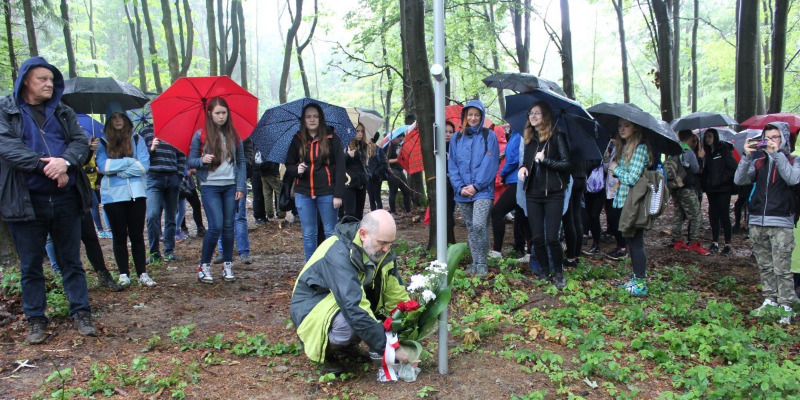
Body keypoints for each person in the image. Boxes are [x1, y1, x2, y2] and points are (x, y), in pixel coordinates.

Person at [0, 57, 96, 344]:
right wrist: (48, 167)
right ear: (26, 80)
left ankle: (81, 312)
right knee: (30, 264)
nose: (48, 84)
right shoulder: (7, 111)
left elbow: (79, 142)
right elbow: (8, 148)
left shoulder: (63, 111)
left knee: (71, 260)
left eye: (51, 80)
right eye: (42, 79)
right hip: (27, 201)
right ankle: (36, 319)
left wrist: (65, 162)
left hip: (66, 199)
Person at [290, 210, 409, 374]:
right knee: (350, 320)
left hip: (339, 302)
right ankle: (324, 353)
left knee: (369, 304)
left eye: (390, 243)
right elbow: (353, 306)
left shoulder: (380, 249)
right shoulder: (336, 252)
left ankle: (345, 347)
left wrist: (409, 321)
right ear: (363, 234)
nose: (387, 248)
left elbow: (394, 291)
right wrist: (389, 348)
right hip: (311, 308)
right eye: (382, 242)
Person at [735, 123, 800, 324]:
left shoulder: (793, 160)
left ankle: (786, 305)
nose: (771, 140)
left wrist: (778, 154)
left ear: (784, 139)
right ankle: (770, 299)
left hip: (781, 220)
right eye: (767, 137)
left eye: (776, 137)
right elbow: (740, 180)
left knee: (783, 268)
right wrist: (746, 156)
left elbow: (793, 179)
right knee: (765, 266)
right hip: (757, 220)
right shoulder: (759, 162)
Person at [188, 97, 247, 283]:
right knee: (215, 226)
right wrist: (201, 160)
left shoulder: (234, 135)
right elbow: (189, 161)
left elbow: (242, 162)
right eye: (217, 113)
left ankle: (227, 264)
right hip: (210, 186)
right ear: (210, 114)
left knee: (229, 227)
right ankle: (203, 266)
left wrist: (241, 186)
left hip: (230, 185)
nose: (221, 116)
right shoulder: (201, 135)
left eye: (224, 113)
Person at [96, 103, 155, 288]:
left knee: (137, 235)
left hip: (136, 194)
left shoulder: (137, 139)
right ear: (108, 121)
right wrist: (130, 161)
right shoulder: (102, 142)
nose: (118, 120)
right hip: (113, 196)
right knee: (119, 236)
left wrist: (118, 169)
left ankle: (142, 273)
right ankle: (123, 274)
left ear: (126, 119)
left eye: (120, 116)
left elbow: (143, 166)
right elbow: (104, 167)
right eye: (113, 117)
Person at [516, 102, 571, 288]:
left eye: (537, 113)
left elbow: (566, 164)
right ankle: (544, 272)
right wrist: (523, 167)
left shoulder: (557, 137)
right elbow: (526, 162)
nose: (533, 116)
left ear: (545, 116)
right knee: (537, 237)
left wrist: (545, 160)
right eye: (531, 113)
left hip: (554, 193)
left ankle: (559, 272)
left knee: (552, 238)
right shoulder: (530, 140)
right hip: (533, 193)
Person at [285, 103, 346, 261]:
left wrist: (338, 194)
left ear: (321, 118)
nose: (312, 119)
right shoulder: (297, 139)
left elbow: (340, 167)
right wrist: (296, 169)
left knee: (330, 232)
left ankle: (332, 266)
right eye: (308, 116)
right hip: (303, 193)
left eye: (315, 116)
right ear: (304, 120)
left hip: (327, 192)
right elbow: (289, 165)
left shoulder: (332, 137)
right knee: (309, 234)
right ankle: (311, 269)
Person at [449, 101, 499, 277]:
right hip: (462, 192)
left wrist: (476, 186)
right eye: (469, 114)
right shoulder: (456, 138)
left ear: (482, 116)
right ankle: (476, 262)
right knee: (471, 227)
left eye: (477, 114)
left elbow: (490, 163)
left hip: (483, 190)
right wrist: (460, 186)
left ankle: (481, 263)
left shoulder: (488, 136)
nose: (473, 118)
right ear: (464, 116)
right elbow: (453, 164)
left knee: (479, 224)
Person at [608, 119, 652, 295]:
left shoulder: (640, 148)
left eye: (626, 126)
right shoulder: (625, 147)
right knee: (631, 242)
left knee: (636, 242)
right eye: (620, 126)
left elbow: (632, 178)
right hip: (624, 200)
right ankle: (636, 279)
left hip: (634, 202)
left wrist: (616, 169)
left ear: (636, 127)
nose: (622, 129)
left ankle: (640, 283)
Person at [141, 124, 185, 263]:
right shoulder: (145, 131)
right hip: (153, 178)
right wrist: (152, 148)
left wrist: (179, 175)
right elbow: (140, 156)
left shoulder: (174, 131)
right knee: (153, 215)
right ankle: (154, 253)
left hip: (172, 178)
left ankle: (169, 251)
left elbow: (181, 154)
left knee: (171, 216)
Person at [669, 130, 710, 255]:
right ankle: (694, 243)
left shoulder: (673, 150)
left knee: (679, 213)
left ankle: (677, 241)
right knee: (696, 215)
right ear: (691, 138)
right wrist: (701, 158)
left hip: (675, 187)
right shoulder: (688, 152)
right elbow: (696, 169)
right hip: (687, 187)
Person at [700, 128, 737, 255]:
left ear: (715, 137)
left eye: (710, 136)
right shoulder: (707, 154)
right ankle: (715, 241)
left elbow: (733, 167)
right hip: (711, 189)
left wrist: (723, 180)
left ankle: (727, 244)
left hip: (723, 189)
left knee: (724, 214)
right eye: (706, 137)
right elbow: (705, 172)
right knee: (713, 214)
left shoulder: (724, 150)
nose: (707, 139)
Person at [490, 127, 522, 258]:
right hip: (516, 180)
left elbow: (515, 160)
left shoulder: (520, 134)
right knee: (521, 215)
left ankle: (497, 250)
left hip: (518, 180)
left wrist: (502, 174)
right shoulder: (515, 133)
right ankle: (521, 248)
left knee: (497, 211)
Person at [342, 123, 369, 219]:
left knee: (359, 213)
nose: (360, 134)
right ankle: (349, 232)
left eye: (362, 131)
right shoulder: (344, 145)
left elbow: (363, 165)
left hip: (361, 183)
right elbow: (338, 163)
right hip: (349, 184)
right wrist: (348, 155)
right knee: (350, 213)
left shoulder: (363, 146)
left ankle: (358, 233)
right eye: (357, 131)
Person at [386, 132, 412, 216]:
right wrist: (396, 160)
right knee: (393, 192)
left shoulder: (399, 146)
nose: (400, 141)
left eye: (401, 139)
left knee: (407, 191)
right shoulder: (389, 146)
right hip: (392, 171)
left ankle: (408, 211)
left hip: (400, 170)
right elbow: (386, 161)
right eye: (399, 139)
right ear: (394, 138)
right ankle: (393, 212)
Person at [366, 131, 388, 212]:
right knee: (371, 198)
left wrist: (376, 173)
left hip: (377, 179)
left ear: (371, 139)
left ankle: (380, 215)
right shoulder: (365, 150)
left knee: (377, 198)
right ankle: (373, 216)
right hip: (368, 179)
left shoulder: (379, 151)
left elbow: (384, 165)